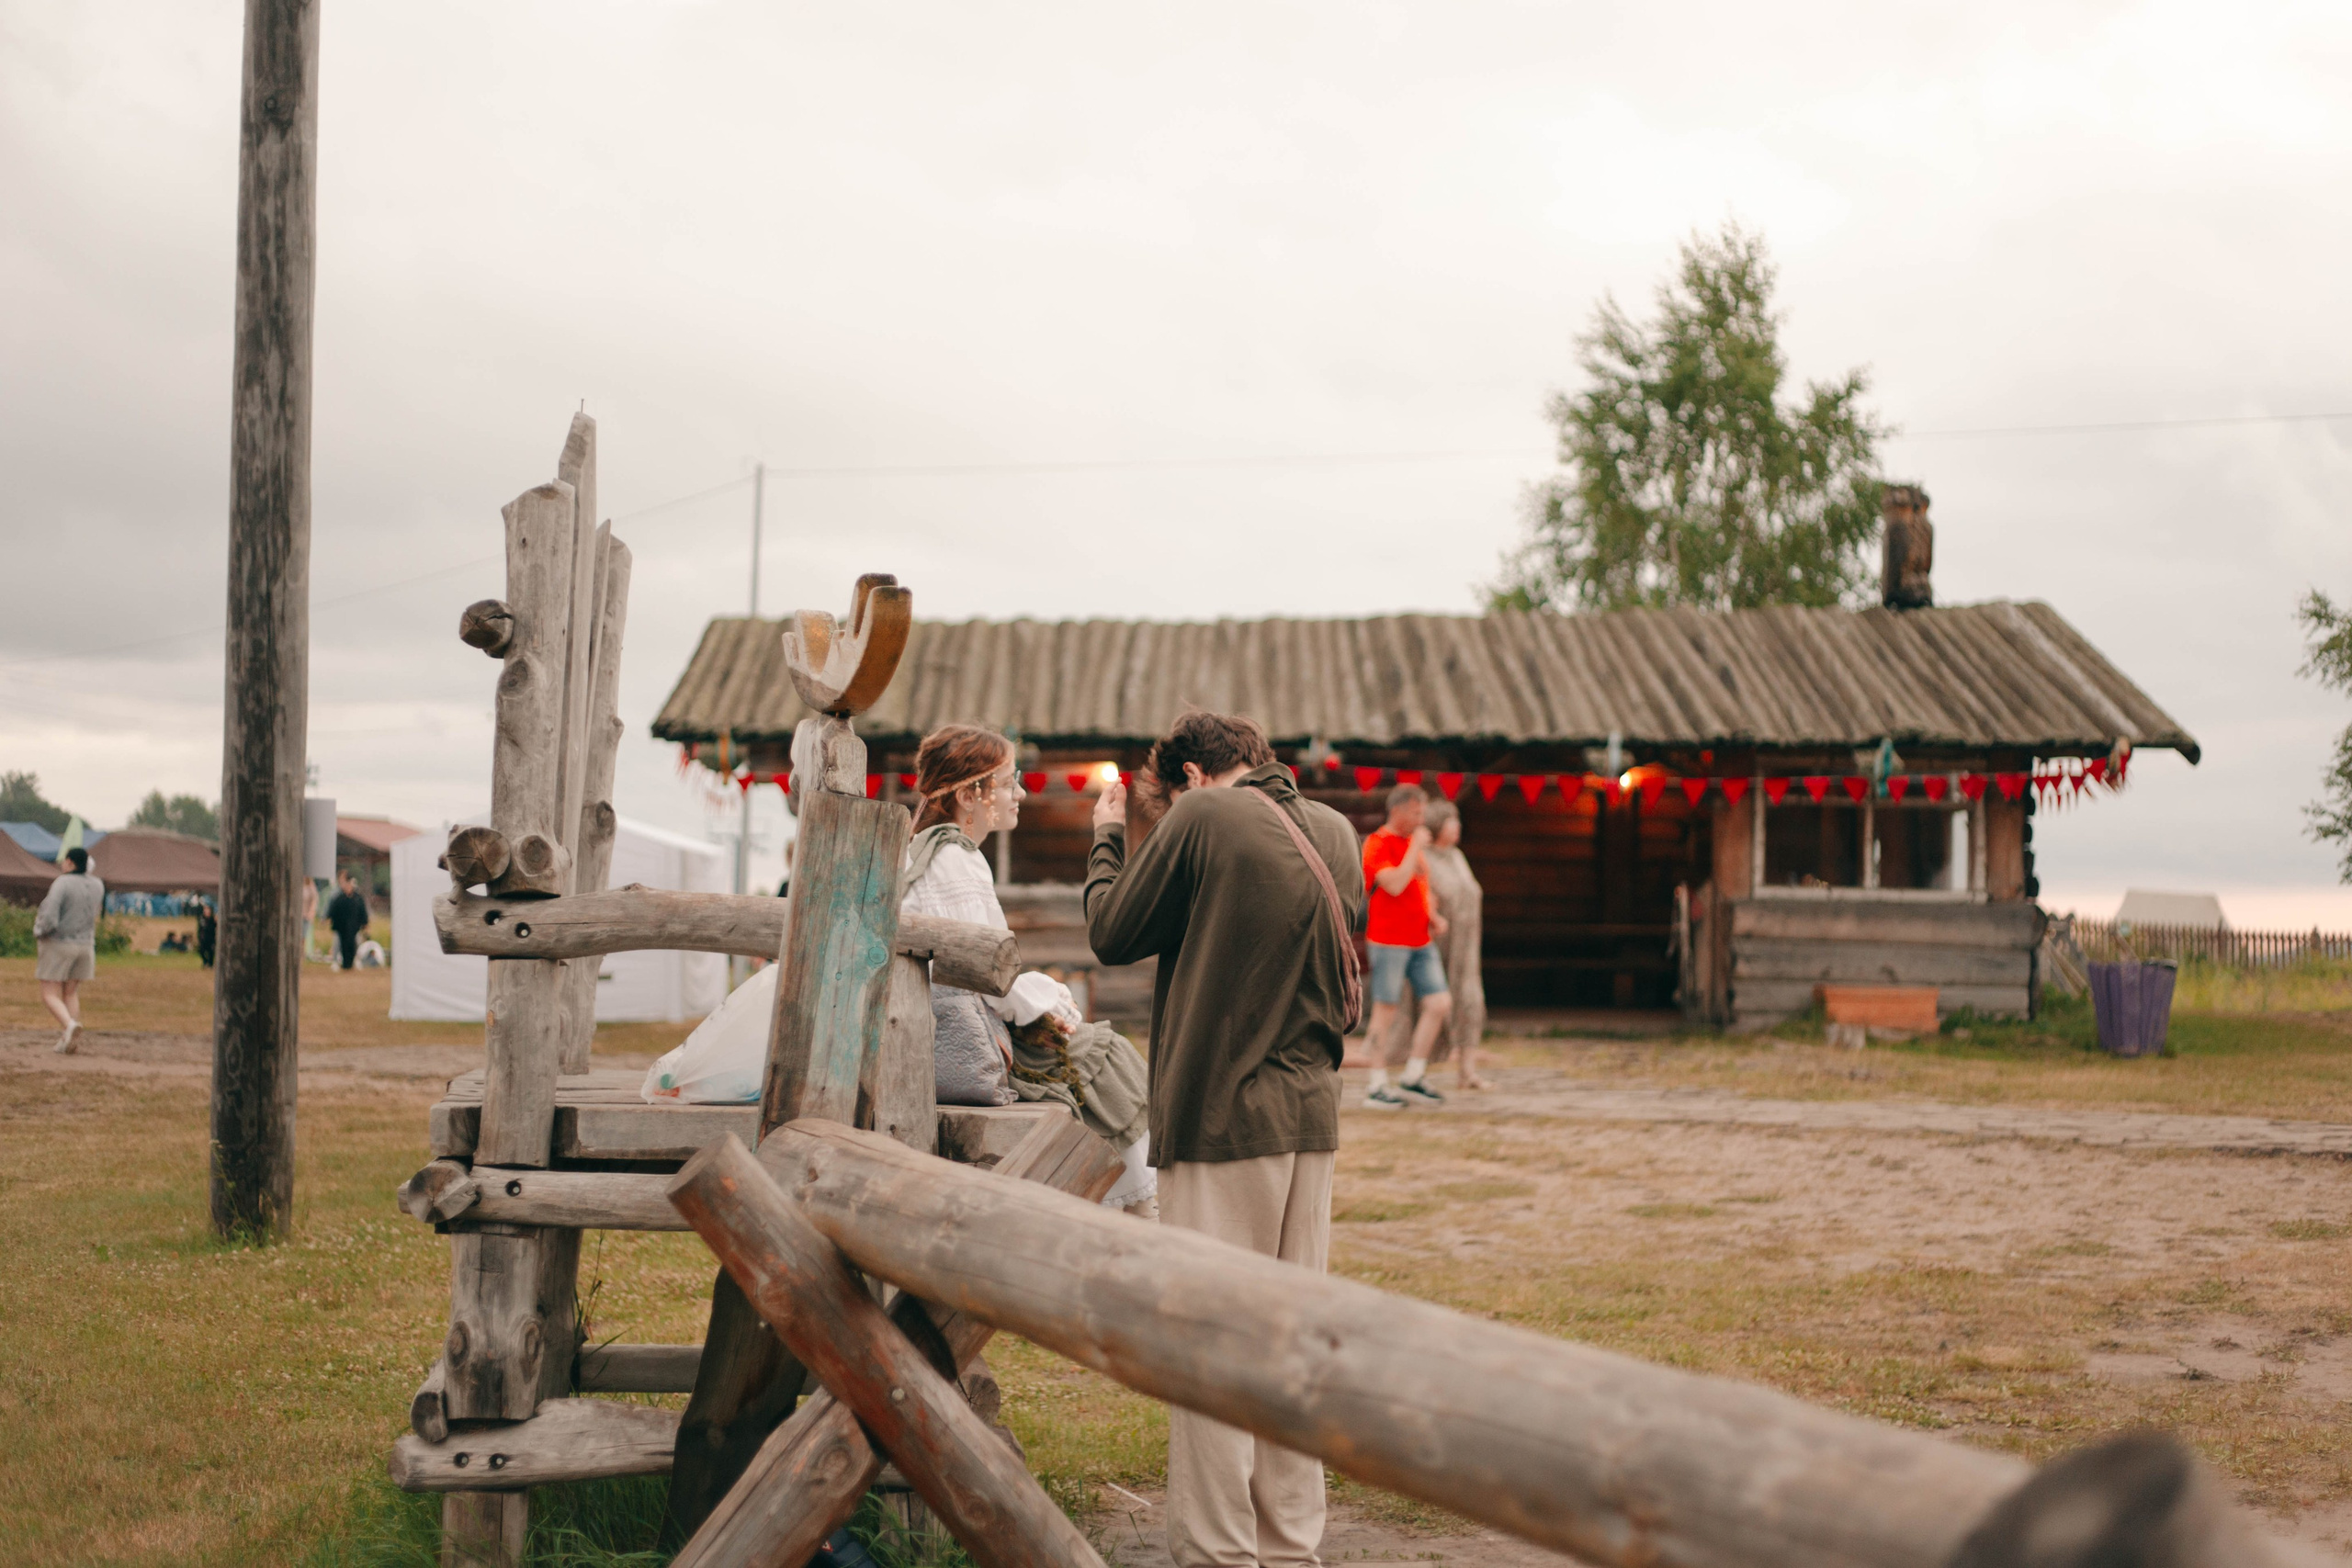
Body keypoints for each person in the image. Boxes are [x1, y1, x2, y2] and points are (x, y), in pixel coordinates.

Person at [1086, 711, 1365, 1568]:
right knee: (1288, 1343)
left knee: (1208, 1345)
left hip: (1219, 1118)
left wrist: (1107, 838)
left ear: (1193, 778)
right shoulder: (1339, 831)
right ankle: (1289, 1549)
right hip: (1310, 1121)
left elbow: (1114, 932)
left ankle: (1215, 1554)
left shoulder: (1203, 818)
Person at [902, 723, 1157, 1215]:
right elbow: (986, 979)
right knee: (1103, 1052)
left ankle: (1131, 1202)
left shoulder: (931, 852)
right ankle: (1134, 1208)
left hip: (945, 1025)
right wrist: (1051, 1001)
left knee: (1099, 1048)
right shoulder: (956, 861)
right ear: (972, 795)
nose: (1018, 792)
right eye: (1007, 783)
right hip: (964, 1042)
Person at [1360, 783, 1451, 1109]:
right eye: (1416, 812)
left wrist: (1433, 915)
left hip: (1420, 939)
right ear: (1397, 810)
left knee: (1439, 1003)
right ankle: (1376, 1084)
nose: (1421, 818)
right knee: (1385, 1012)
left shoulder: (1414, 845)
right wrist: (1414, 847)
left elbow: (1420, 886)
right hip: (1388, 941)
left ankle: (1413, 1075)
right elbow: (1395, 885)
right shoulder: (1377, 843)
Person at [1417, 798, 1489, 1091]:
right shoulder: (1425, 858)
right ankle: (1417, 1071)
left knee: (1470, 1002)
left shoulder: (1458, 857)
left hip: (1467, 949)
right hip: (1437, 947)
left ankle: (1467, 1072)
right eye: (1451, 822)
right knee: (1431, 1006)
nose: (1457, 827)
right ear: (1438, 825)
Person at [34, 845, 104, 1054]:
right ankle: (69, 1039)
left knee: (49, 993)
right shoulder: (97, 884)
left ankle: (69, 1026)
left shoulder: (62, 882)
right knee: (71, 992)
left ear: (71, 862)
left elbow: (50, 915)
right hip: (86, 945)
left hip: (59, 943)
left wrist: (39, 930)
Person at [324, 871, 371, 971]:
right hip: (340, 926)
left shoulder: (358, 898)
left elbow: (363, 911)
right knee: (337, 943)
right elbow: (332, 909)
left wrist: (365, 923)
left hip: (354, 927)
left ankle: (355, 960)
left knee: (356, 943)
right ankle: (335, 961)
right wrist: (328, 918)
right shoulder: (338, 897)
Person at [195, 897, 217, 968]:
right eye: (205, 909)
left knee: (211, 952)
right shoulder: (201, 919)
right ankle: (205, 962)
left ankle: (210, 964)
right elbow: (199, 928)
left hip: (211, 938)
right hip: (203, 938)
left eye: (208, 909)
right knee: (201, 950)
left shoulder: (212, 919)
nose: (206, 911)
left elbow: (215, 927)